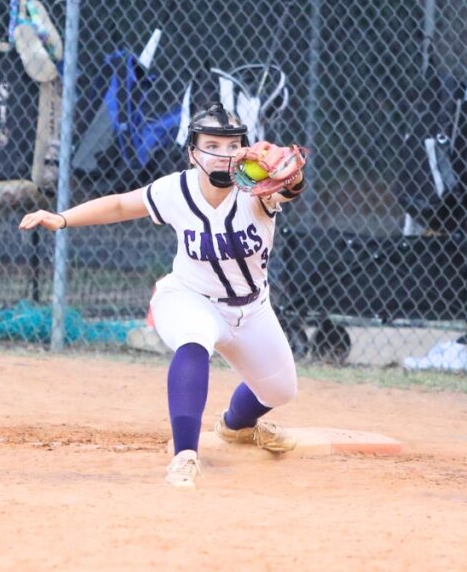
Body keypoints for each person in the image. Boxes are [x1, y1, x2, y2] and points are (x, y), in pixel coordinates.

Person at [19, 103, 308, 489]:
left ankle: (237, 427)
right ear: (192, 152)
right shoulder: (177, 190)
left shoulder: (256, 190)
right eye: (212, 145)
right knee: (194, 340)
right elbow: (122, 204)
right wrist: (63, 217)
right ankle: (185, 457)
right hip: (189, 297)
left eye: (231, 145)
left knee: (280, 389)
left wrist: (289, 175)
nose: (223, 154)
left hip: (253, 308)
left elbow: (289, 188)